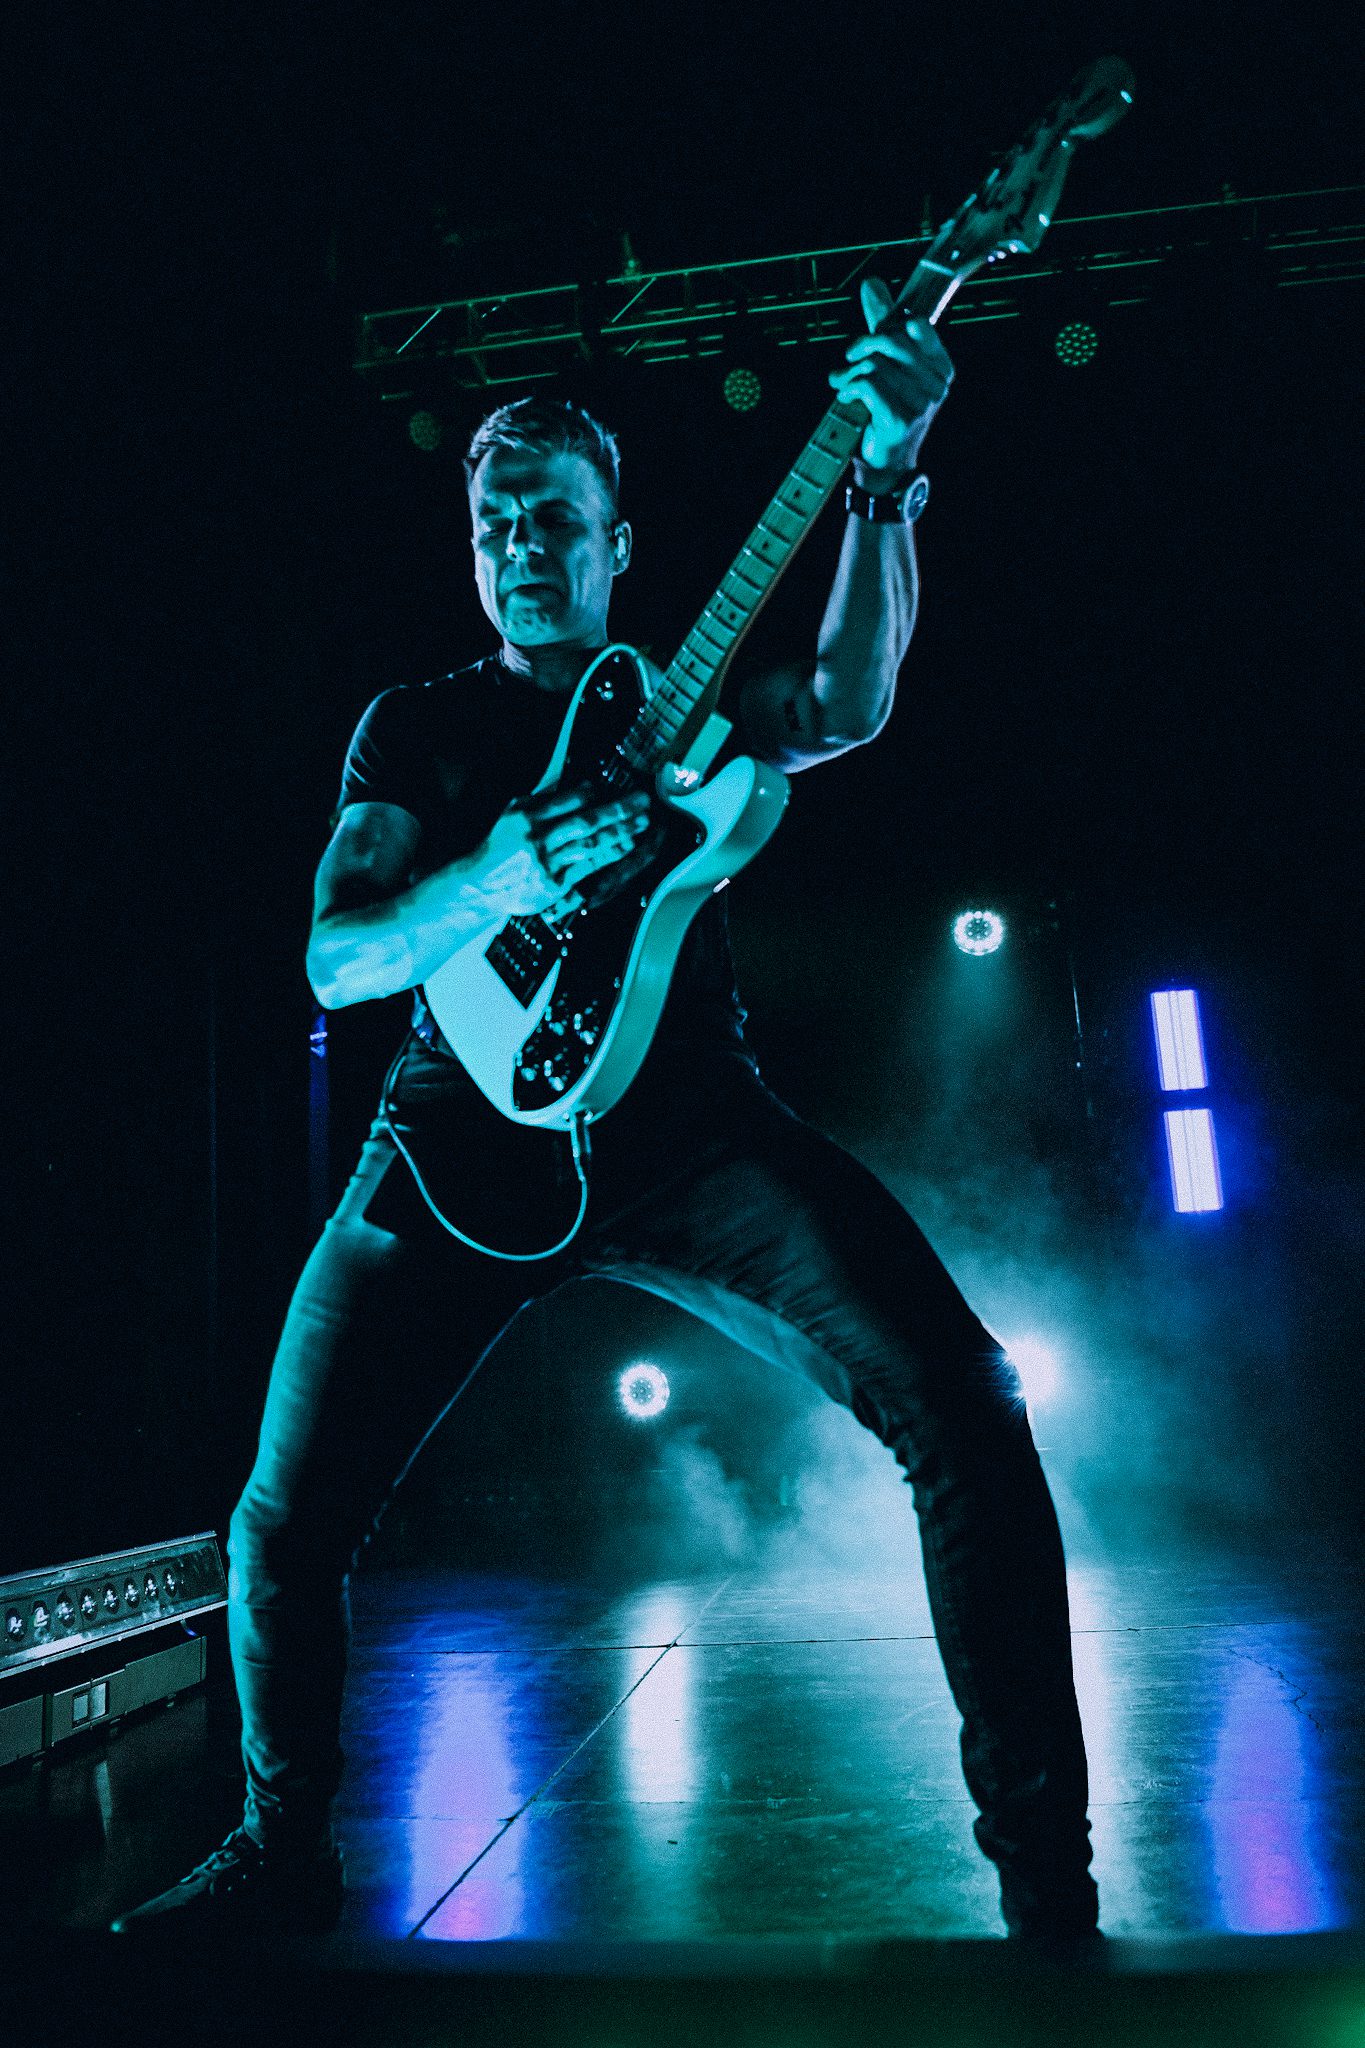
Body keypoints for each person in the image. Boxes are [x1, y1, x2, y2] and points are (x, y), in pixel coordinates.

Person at [111, 280, 1099, 1941]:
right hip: (444, 1145)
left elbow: (844, 700)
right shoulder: (416, 729)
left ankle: (1047, 1881)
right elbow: (339, 958)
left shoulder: (682, 702)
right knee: (280, 1521)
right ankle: (284, 1851)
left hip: (685, 1124)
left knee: (965, 1405)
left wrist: (883, 477)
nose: (518, 544)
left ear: (619, 542)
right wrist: (492, 874)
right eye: (492, 522)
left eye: (552, 518)